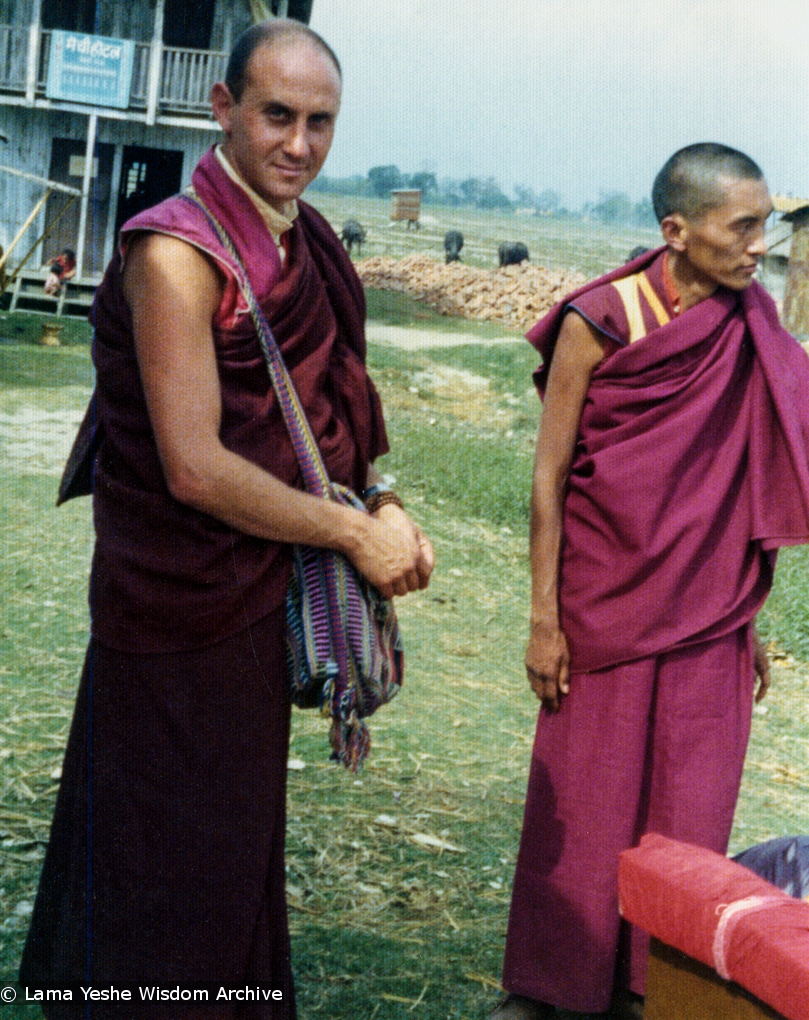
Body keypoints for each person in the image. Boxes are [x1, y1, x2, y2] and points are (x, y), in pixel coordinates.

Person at [20, 19, 433, 1018]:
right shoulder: (176, 252)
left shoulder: (307, 241)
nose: (297, 144)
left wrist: (376, 497)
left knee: (231, 835)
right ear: (224, 110)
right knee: (162, 841)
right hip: (176, 594)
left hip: (258, 592)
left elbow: (331, 405)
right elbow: (197, 468)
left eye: (319, 123)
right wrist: (347, 535)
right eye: (276, 117)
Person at [491, 143, 809, 1020]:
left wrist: (747, 617)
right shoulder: (598, 319)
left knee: (689, 805)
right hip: (603, 601)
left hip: (711, 613)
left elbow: (756, 473)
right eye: (741, 227)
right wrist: (542, 619)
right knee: (590, 797)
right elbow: (548, 477)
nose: (758, 247)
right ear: (676, 229)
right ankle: (554, 987)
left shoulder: (754, 325)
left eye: (763, 227)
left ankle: (653, 988)